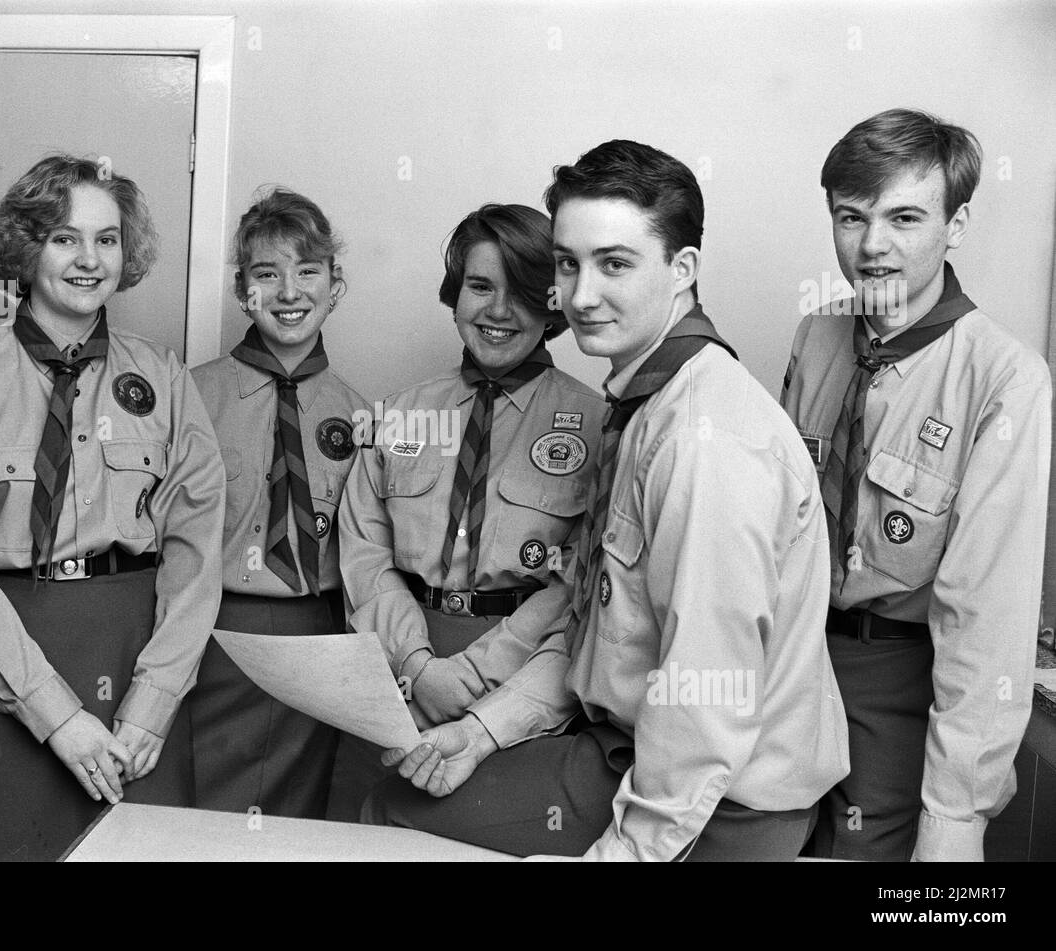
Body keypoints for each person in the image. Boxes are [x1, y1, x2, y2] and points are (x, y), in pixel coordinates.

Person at [365, 140, 849, 861]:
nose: (580, 295)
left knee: (393, 815)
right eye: (569, 262)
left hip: (719, 805)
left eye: (615, 263)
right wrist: (481, 730)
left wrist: (622, 854)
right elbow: (602, 632)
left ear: (682, 270)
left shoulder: (703, 441)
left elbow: (702, 702)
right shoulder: (643, 408)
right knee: (396, 798)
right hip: (626, 747)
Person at [0, 155, 225, 860]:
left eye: (106, 239)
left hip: (136, 670)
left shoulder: (163, 377)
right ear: (26, 245)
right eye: (65, 237)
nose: (89, 259)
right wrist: (55, 715)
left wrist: (154, 701)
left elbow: (196, 555)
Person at [781, 108, 1051, 862]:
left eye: (904, 217)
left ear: (956, 223)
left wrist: (956, 814)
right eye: (851, 217)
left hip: (904, 683)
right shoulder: (818, 335)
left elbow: (986, 617)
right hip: (790, 666)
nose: (872, 246)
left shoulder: (1004, 378)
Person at [329, 203, 605, 821]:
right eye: (481, 286)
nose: (498, 311)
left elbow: (580, 579)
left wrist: (476, 677)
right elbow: (365, 556)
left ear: (554, 301)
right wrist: (418, 666)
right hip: (393, 669)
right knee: (359, 839)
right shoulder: (397, 414)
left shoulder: (600, 427)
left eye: (523, 291)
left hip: (523, 679)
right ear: (456, 294)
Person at [186, 187, 369, 819]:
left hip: (319, 643)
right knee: (199, 826)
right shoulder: (188, 396)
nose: (289, 292)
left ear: (334, 285)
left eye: (308, 271)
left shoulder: (364, 416)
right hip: (213, 638)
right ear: (244, 290)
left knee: (297, 826)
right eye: (268, 274)